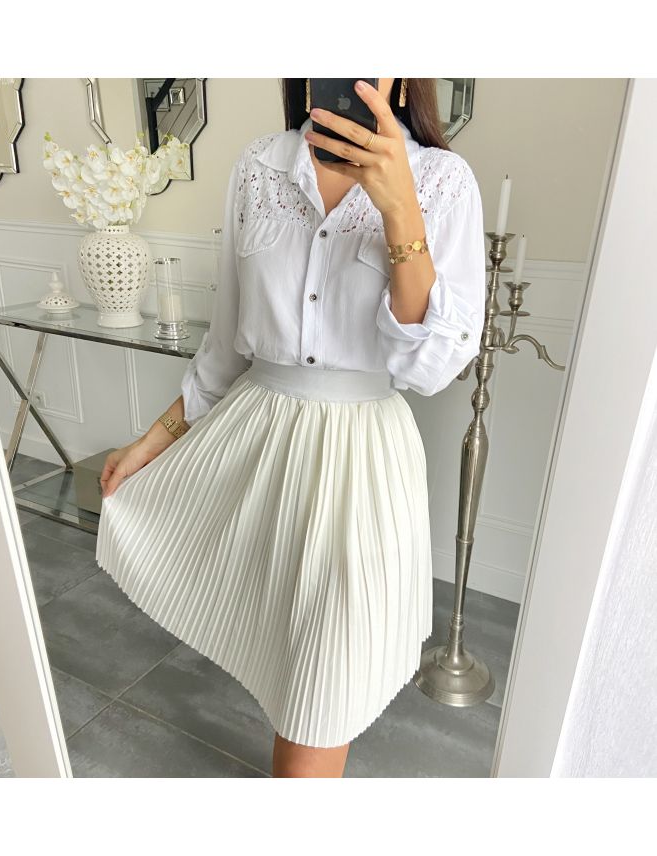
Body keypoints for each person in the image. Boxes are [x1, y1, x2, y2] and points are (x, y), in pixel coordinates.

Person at [95, 78, 486, 778]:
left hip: (359, 467)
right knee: (283, 655)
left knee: (324, 689)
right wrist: (154, 441)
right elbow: (225, 344)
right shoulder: (258, 165)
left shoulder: (442, 180)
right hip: (255, 442)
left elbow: (431, 366)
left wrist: (400, 207)